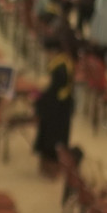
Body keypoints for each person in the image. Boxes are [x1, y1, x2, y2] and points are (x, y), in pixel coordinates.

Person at [34, 37, 75, 178]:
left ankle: (53, 169)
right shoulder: (60, 63)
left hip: (58, 108)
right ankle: (47, 167)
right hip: (57, 104)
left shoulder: (61, 67)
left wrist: (41, 96)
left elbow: (55, 88)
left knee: (53, 138)